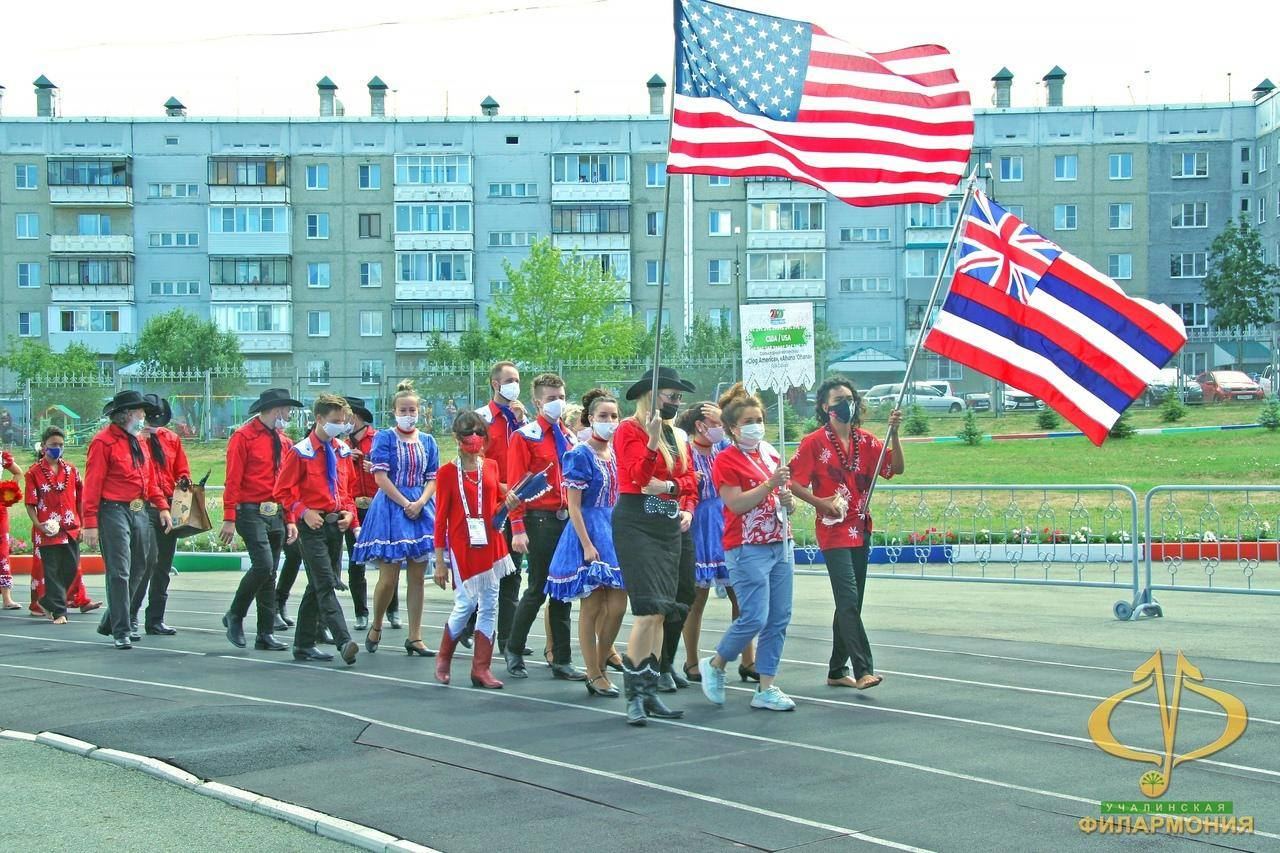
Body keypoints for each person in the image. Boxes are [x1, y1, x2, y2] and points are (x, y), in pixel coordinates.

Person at [789, 376, 904, 691]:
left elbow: (894, 469)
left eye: (850, 397)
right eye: (839, 398)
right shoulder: (813, 443)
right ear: (825, 406)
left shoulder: (866, 440)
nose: (846, 403)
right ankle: (863, 668)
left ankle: (836, 670)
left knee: (852, 603)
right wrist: (820, 502)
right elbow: (793, 481)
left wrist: (894, 435)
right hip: (832, 530)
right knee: (848, 598)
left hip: (860, 527)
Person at [700, 383, 797, 712]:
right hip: (746, 545)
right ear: (731, 428)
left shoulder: (770, 452)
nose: (756, 424)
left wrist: (787, 501)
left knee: (779, 617)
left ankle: (766, 687)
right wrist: (769, 485)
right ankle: (715, 663)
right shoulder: (726, 459)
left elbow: (785, 500)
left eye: (759, 418)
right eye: (748, 421)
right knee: (754, 616)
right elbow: (736, 504)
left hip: (780, 541)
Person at [611, 366, 699, 725]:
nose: (676, 402)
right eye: (670, 395)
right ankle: (634, 694)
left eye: (679, 397)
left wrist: (677, 495)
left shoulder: (678, 435)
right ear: (652, 394)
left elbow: (691, 480)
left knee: (663, 609)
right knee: (648, 609)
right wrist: (650, 442)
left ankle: (649, 690)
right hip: (636, 522)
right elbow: (637, 477)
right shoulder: (628, 431)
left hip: (668, 521)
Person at [502, 372, 585, 682]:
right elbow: (516, 485)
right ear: (537, 401)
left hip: (568, 520)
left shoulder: (573, 438)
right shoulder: (526, 436)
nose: (558, 403)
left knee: (563, 590)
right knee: (537, 587)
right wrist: (518, 527)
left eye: (561, 397)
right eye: (551, 398)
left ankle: (562, 658)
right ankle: (514, 647)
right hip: (540, 519)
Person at [546, 389, 626, 697]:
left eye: (614, 416)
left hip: (614, 529)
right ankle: (594, 672)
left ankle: (604, 656)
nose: (609, 421)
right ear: (590, 419)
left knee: (618, 605)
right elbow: (574, 506)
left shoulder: (617, 453)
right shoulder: (580, 453)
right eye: (603, 416)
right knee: (592, 604)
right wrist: (587, 544)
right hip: (588, 531)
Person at [354, 380, 439, 657]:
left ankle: (415, 636)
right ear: (394, 411)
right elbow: (380, 477)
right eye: (403, 409)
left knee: (417, 577)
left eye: (412, 409)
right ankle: (377, 624)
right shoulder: (385, 438)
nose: (408, 414)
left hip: (421, 507)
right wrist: (405, 503)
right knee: (388, 577)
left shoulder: (428, 440)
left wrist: (422, 502)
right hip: (391, 507)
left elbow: (432, 478)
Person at [675, 402, 758, 684]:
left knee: (741, 594)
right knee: (696, 598)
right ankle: (691, 660)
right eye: (717, 423)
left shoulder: (724, 450)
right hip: (700, 525)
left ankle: (749, 659)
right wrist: (688, 480)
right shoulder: (685, 453)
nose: (721, 428)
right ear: (700, 426)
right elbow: (675, 483)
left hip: (727, 521)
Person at [275, 394, 360, 665]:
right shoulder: (301, 452)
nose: (341, 426)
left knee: (316, 584)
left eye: (344, 421)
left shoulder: (342, 452)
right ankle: (343, 639)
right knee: (325, 582)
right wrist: (303, 511)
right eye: (335, 421)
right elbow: (282, 491)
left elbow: (347, 490)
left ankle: (303, 643)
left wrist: (349, 514)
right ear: (320, 419)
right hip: (312, 525)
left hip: (335, 525)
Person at [83, 390, 171, 649]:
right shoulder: (103, 443)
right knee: (120, 571)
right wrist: (90, 522)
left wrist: (162, 506)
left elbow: (150, 478)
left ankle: (112, 620)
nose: (145, 417)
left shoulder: (139, 441)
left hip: (139, 509)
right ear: (127, 415)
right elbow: (92, 484)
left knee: (141, 566)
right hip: (113, 510)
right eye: (140, 412)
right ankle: (121, 629)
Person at [431, 411, 514, 688]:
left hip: (490, 543)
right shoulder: (445, 473)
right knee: (466, 604)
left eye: (480, 432)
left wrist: (509, 503)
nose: (475, 438)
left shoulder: (490, 467)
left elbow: (494, 507)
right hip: (462, 547)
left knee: (490, 604)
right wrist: (440, 561)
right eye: (468, 432)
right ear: (456, 436)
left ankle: (481, 668)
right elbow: (440, 518)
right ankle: (443, 658)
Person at [220, 388, 302, 651]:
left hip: (276, 510)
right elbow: (233, 479)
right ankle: (236, 613)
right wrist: (229, 517)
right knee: (263, 565)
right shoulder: (242, 438)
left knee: (270, 573)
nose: (288, 415)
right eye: (287, 410)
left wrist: (290, 518)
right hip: (250, 510)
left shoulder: (285, 442)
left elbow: (288, 484)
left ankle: (265, 633)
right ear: (275, 409)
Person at [474, 360, 527, 653]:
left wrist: (519, 420)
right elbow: (477, 463)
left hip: (517, 505)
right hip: (492, 506)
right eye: (509, 380)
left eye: (517, 379)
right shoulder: (482, 419)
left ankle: (508, 638)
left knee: (513, 573)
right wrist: (503, 487)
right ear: (495, 384)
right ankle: (471, 625)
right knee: (485, 574)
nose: (514, 385)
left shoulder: (521, 420)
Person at [130, 394, 189, 636]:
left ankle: (155, 618)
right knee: (145, 563)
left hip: (169, 503)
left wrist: (184, 485)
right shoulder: (134, 440)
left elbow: (181, 468)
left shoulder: (171, 439)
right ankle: (130, 615)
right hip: (144, 506)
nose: (153, 423)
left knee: (163, 564)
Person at [25, 427, 81, 623]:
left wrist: (81, 523)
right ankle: (59, 612)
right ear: (43, 447)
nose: (57, 449)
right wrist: (38, 525)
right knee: (52, 571)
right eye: (53, 445)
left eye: (60, 445)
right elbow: (30, 504)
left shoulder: (72, 470)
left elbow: (80, 499)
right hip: (48, 530)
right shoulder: (33, 472)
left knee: (71, 568)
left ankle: (48, 600)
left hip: (71, 528)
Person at [343, 396, 382, 632]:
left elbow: (391, 469)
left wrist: (371, 464)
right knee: (356, 561)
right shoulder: (342, 444)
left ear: (355, 417)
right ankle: (361, 612)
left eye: (345, 416)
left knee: (387, 560)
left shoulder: (378, 439)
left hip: (378, 506)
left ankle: (391, 609)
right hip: (353, 506)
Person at [0, 447, 23, 610]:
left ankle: (7, 598)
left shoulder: (2, 456)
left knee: (2, 552)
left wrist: (7, 491)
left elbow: (18, 472)